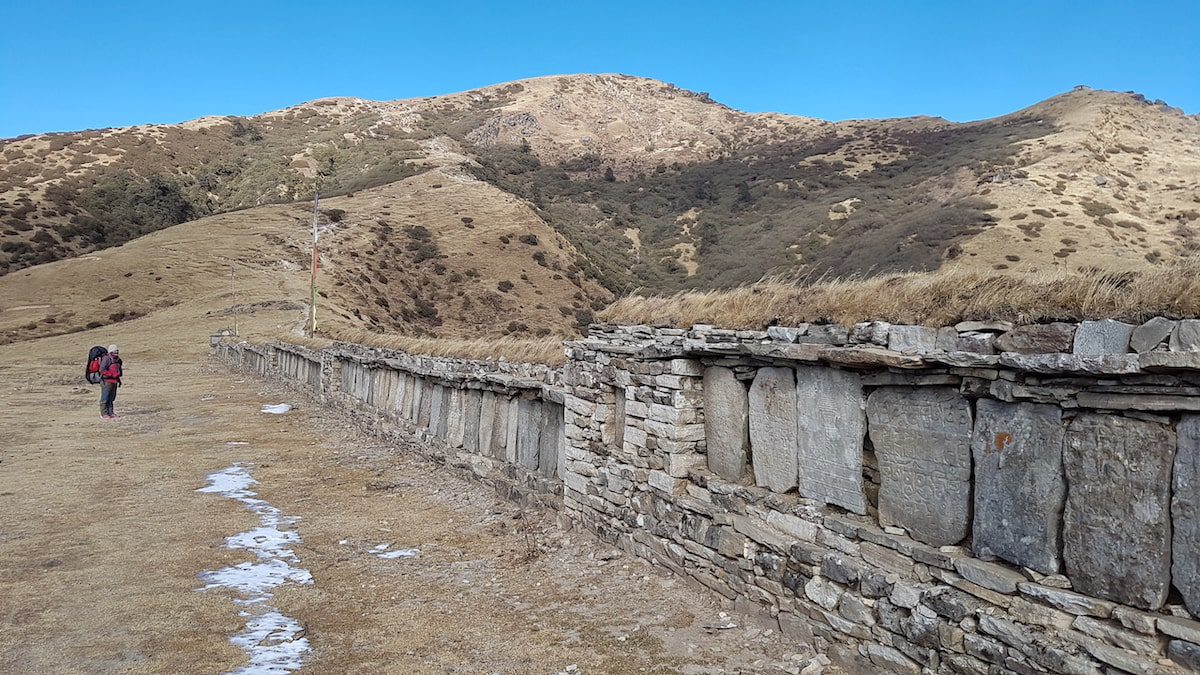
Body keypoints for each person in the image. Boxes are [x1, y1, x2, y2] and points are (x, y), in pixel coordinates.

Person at [99, 345, 123, 419]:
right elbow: (102, 370)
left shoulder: (118, 360)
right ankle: (103, 413)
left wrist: (118, 379)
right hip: (106, 381)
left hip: (114, 381)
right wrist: (111, 374)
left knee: (111, 398)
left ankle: (111, 412)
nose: (116, 352)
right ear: (111, 351)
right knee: (105, 398)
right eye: (115, 351)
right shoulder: (106, 359)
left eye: (117, 351)